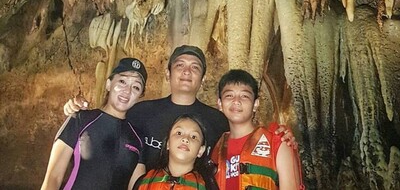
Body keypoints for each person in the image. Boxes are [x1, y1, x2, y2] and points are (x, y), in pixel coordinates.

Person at [64, 46, 295, 170]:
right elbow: (105, 122)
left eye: (195, 67)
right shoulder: (140, 112)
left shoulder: (218, 120)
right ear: (168, 73)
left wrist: (279, 136)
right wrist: (76, 109)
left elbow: (246, 139)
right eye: (180, 65)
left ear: (202, 80)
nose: (186, 71)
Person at [41, 58, 148, 190]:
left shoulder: (138, 139)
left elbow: (137, 187)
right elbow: (53, 178)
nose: (127, 91)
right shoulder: (81, 119)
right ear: (108, 84)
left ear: (140, 96)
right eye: (122, 81)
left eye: (136, 87)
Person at [212, 69, 304, 190]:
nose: (236, 101)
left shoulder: (277, 142)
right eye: (229, 95)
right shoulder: (216, 148)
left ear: (255, 104)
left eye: (244, 96)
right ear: (220, 104)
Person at [133, 114, 209, 189]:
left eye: (193, 137)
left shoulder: (206, 186)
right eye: (179, 133)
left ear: (200, 150)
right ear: (168, 143)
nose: (185, 139)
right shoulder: (144, 182)